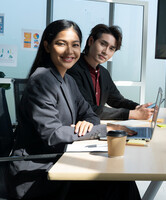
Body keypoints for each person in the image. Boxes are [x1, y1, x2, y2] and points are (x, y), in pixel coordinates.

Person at [5, 19, 141, 200]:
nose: (70, 51)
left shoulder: (68, 81)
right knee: (117, 182)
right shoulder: (41, 80)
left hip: (60, 159)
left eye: (75, 45)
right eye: (61, 44)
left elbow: (90, 113)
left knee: (121, 179)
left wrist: (87, 123)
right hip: (37, 171)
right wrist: (103, 129)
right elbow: (52, 134)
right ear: (47, 46)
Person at [67, 23, 153, 120]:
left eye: (111, 48)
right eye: (103, 44)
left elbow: (117, 100)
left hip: (95, 125)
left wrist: (138, 108)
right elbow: (88, 108)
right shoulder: (73, 68)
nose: (105, 51)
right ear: (91, 41)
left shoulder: (103, 73)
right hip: (76, 128)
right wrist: (132, 114)